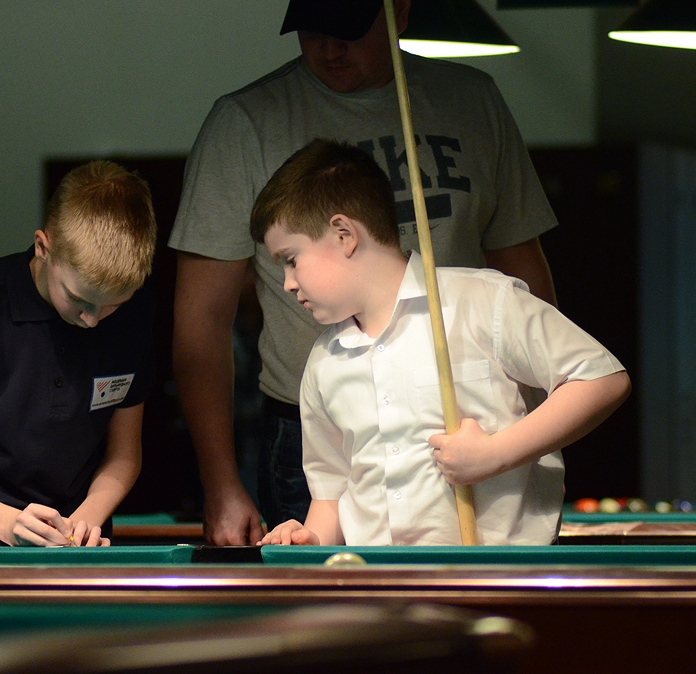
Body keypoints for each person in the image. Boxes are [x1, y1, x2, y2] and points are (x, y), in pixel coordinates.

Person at [170, 0, 560, 545]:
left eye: (350, 29)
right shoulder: (245, 124)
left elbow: (525, 272)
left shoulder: (472, 102)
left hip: (468, 424)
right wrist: (220, 482)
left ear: (400, 10)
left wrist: (538, 437)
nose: (329, 48)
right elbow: (201, 323)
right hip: (318, 433)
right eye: (312, 29)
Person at [249, 140, 628, 545]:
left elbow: (601, 378)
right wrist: (310, 541)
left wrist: (496, 453)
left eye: (291, 260)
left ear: (344, 235)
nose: (288, 283)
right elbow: (332, 495)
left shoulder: (480, 302)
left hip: (496, 574)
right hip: (378, 578)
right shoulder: (324, 362)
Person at [0, 161, 157, 546]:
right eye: (79, 299)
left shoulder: (132, 319)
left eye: (112, 305)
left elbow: (124, 455)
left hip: (70, 549)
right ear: (43, 247)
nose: (92, 320)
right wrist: (7, 523)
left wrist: (86, 519)